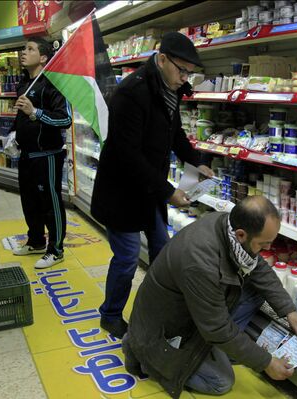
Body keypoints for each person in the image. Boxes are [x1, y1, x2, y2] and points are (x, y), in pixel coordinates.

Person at [122, 196, 297, 398]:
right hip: (166, 329)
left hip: (192, 311)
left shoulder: (226, 224)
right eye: (263, 245)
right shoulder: (199, 262)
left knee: (255, 290)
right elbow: (216, 328)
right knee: (221, 382)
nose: (268, 250)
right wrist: (266, 363)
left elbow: (257, 266)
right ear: (241, 234)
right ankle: (143, 354)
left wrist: (288, 309)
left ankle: (225, 348)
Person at [91, 32, 213, 338]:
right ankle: (111, 313)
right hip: (122, 191)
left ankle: (161, 309)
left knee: (164, 249)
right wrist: (169, 192)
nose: (185, 78)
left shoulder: (171, 89)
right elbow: (127, 155)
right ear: (161, 60)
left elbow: (174, 134)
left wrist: (196, 160)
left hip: (149, 189)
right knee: (128, 256)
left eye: (190, 72)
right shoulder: (132, 93)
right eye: (181, 69)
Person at [11, 37, 72, 269]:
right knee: (29, 202)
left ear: (44, 57)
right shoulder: (24, 83)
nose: (23, 52)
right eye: (23, 48)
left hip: (47, 156)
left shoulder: (53, 84)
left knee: (51, 203)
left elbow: (65, 119)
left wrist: (35, 111)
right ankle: (36, 241)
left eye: (30, 49)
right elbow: (22, 116)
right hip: (26, 155)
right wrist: (14, 133)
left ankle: (56, 250)